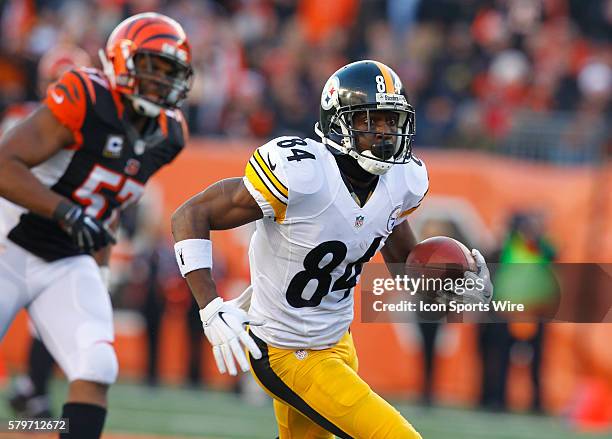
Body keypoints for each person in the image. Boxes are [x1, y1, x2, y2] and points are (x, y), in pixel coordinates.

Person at [172, 60, 492, 438]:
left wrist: (450, 285)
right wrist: (210, 308)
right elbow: (191, 214)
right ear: (338, 122)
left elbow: (405, 265)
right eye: (371, 120)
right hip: (285, 349)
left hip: (337, 342)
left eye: (392, 121)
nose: (385, 133)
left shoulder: (400, 182)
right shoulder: (302, 175)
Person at [0, 12, 193, 439]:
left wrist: (100, 269)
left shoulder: (170, 135)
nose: (162, 82)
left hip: (66, 259)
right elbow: (3, 165)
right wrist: (66, 212)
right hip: (7, 243)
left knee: (96, 364)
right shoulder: (85, 93)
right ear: (122, 61)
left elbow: (110, 200)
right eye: (152, 68)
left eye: (171, 73)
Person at [2, 43, 92, 420]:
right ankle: (33, 391)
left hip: (41, 231)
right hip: (14, 231)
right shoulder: (29, 120)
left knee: (52, 319)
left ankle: (34, 391)